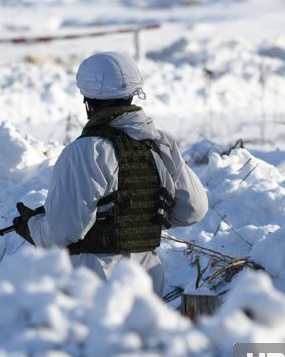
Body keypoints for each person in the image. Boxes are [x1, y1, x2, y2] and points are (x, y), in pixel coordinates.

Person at [14, 51, 208, 293]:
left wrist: (31, 226)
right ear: (133, 93)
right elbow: (193, 210)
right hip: (147, 279)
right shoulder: (158, 143)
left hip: (96, 283)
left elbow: (61, 232)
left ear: (87, 100)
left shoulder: (86, 151)